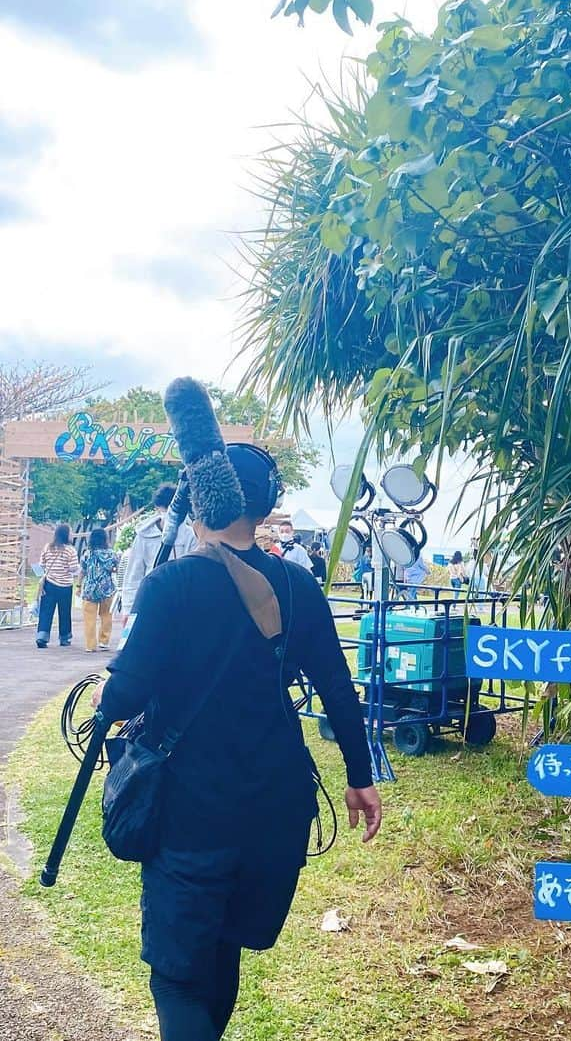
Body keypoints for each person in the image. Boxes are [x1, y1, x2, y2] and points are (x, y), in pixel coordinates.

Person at [95, 442, 381, 1041]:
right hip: (274, 810)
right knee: (222, 951)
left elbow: (123, 697)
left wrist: (108, 694)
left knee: (176, 975)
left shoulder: (171, 585)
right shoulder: (298, 586)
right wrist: (360, 777)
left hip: (188, 811)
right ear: (267, 503)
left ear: (199, 500)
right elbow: (337, 686)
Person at [121, 483, 198, 620]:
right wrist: (129, 609)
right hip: (149, 601)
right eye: (166, 509)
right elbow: (134, 574)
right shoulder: (143, 536)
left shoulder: (190, 535)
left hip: (180, 604)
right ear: (157, 508)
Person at [36, 523, 79, 648]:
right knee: (64, 612)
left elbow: (42, 564)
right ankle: (65, 637)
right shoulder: (70, 550)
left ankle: (42, 637)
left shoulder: (47, 547)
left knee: (46, 611)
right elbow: (73, 568)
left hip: (49, 583)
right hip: (65, 586)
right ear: (67, 535)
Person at [79, 528, 119, 653]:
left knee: (89, 618)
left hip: (90, 589)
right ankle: (104, 641)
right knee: (106, 615)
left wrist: (79, 586)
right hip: (106, 588)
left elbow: (83, 571)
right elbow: (115, 569)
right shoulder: (112, 554)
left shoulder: (87, 554)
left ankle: (90, 645)